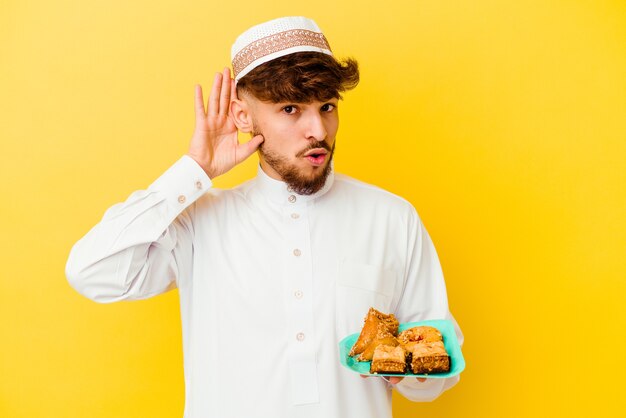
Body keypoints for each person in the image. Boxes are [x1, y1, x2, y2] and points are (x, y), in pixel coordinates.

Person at [66, 16, 463, 418]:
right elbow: (90, 271)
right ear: (242, 117)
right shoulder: (200, 222)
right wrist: (193, 171)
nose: (318, 130)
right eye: (290, 109)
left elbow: (438, 375)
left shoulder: (391, 218)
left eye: (327, 106)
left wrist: (406, 368)